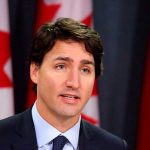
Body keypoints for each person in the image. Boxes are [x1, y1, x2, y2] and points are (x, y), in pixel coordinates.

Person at [0, 17, 128, 150]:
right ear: (35, 71)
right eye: (61, 66)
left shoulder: (114, 147)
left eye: (85, 70)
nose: (74, 83)